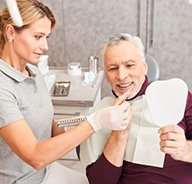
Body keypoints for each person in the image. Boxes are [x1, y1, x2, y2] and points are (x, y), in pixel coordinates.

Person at [0, 1, 133, 183]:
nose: (45, 46)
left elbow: (49, 128)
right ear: (11, 33)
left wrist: (79, 122)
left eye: (46, 37)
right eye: (37, 36)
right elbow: (35, 156)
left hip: (47, 170)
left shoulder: (33, 73)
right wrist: (94, 122)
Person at [79, 33, 192, 184]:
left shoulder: (176, 97)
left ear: (144, 67)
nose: (121, 75)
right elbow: (100, 181)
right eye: (113, 68)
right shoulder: (101, 113)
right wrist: (119, 136)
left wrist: (186, 150)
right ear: (106, 75)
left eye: (130, 65)